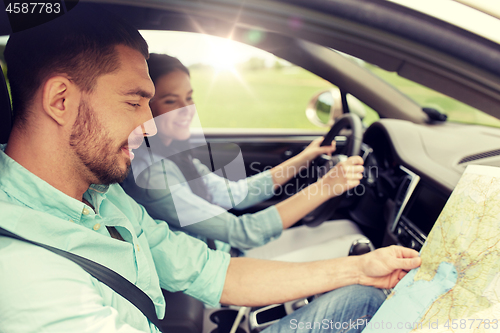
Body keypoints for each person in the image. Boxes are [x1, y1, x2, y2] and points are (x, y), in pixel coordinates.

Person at [0, 4, 421, 333]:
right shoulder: (25, 276)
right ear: (60, 101)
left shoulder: (104, 199)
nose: (150, 127)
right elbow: (240, 233)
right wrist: (325, 187)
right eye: (134, 102)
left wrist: (359, 269)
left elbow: (210, 270)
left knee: (365, 299)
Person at [121, 53, 368, 257]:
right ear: (146, 107)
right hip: (220, 265)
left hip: (224, 251)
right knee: (357, 244)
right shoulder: (152, 175)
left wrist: (304, 158)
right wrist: (326, 187)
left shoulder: (172, 152)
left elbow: (235, 194)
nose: (187, 110)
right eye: (171, 101)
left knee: (348, 231)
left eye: (189, 98)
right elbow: (242, 231)